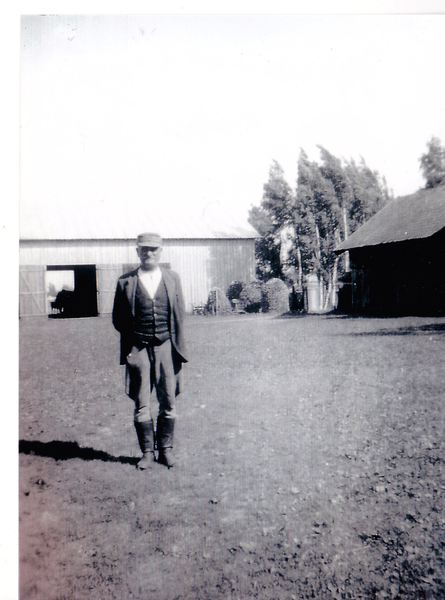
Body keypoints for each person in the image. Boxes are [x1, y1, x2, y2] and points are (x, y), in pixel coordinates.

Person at [112, 233, 187, 470]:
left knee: (168, 399)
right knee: (142, 402)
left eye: (153, 249)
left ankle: (166, 450)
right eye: (144, 249)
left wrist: (170, 342)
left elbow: (179, 314)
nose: (149, 253)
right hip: (139, 347)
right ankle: (147, 453)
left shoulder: (172, 278)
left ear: (161, 251)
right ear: (137, 252)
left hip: (166, 346)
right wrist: (135, 342)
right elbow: (118, 318)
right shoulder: (125, 281)